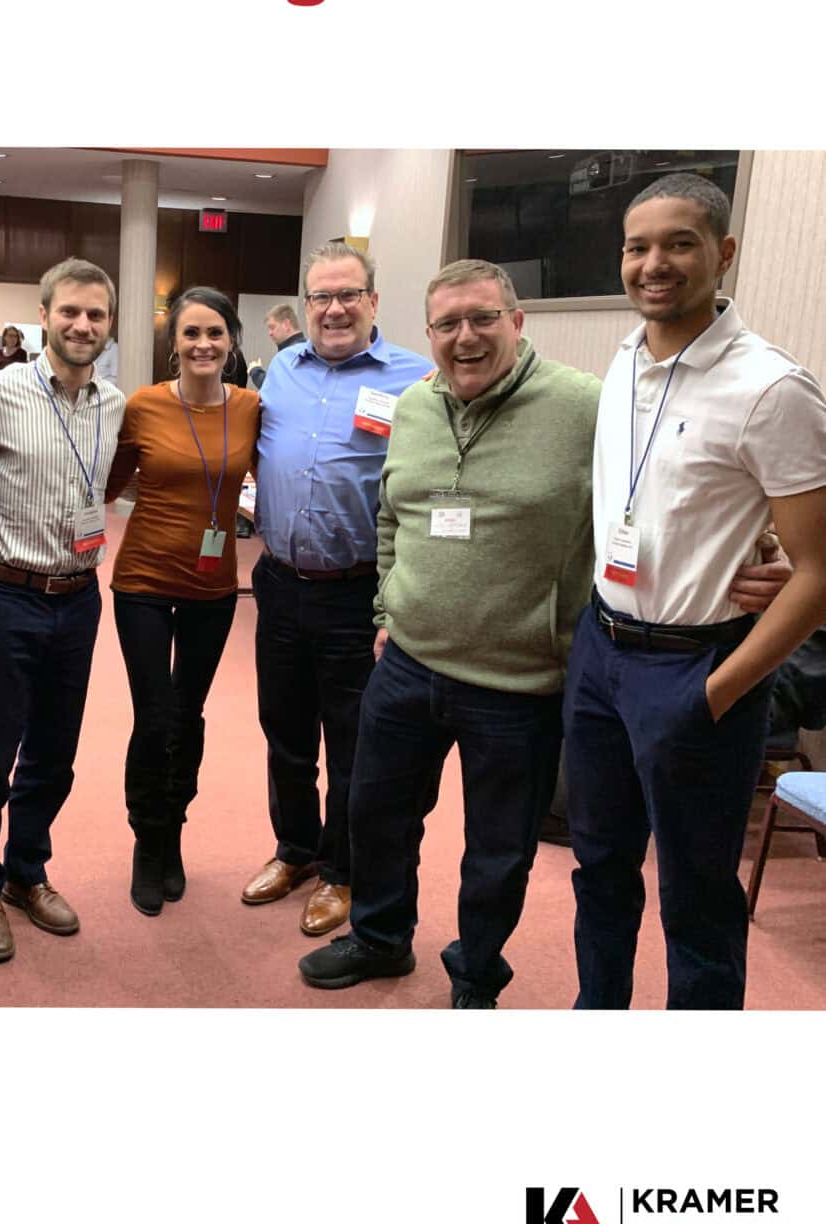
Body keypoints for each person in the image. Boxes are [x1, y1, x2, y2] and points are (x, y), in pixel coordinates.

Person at [298, 256, 794, 1004]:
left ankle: (475, 973)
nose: (465, 337)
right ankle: (379, 935)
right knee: (376, 815)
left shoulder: (586, 404)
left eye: (483, 318)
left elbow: (678, 482)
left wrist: (766, 547)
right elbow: (394, 516)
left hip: (520, 680)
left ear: (517, 321)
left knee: (497, 852)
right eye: (447, 324)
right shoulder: (412, 406)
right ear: (426, 333)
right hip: (406, 663)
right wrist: (384, 615)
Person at [565, 172, 826, 1010]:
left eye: (679, 243)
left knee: (698, 901)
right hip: (601, 654)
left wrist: (715, 693)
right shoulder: (624, 361)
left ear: (725, 253)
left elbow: (819, 571)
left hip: (697, 671)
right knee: (599, 869)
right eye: (638, 247)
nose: (655, 264)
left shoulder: (772, 388)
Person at [243, 241, 432, 937]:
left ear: (374, 301)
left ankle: (342, 872)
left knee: (353, 743)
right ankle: (294, 849)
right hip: (279, 585)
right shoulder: (281, 371)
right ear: (306, 305)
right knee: (284, 732)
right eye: (321, 296)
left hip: (358, 594)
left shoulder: (416, 379)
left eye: (348, 294)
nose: (334, 308)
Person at [0, 258, 125, 962]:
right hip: (2, 596)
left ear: (108, 326)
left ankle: (28, 871)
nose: (82, 325)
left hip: (79, 599)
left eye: (96, 315)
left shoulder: (115, 403)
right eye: (70, 312)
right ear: (44, 314)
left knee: (54, 755)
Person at [105, 287, 261, 915]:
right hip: (142, 582)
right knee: (155, 714)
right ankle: (147, 840)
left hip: (213, 588)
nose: (203, 344)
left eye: (215, 334)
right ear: (174, 344)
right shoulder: (142, 406)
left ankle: (173, 833)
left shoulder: (251, 407)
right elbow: (109, 482)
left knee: (189, 714)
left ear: (232, 342)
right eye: (191, 333)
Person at [248, 303, 304, 389]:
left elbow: (275, 390)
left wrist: (256, 372)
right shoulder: (301, 349)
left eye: (272, 327)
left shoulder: (291, 353)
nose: (269, 333)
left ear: (286, 324)